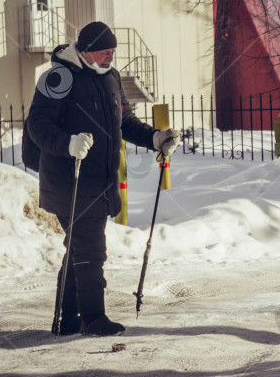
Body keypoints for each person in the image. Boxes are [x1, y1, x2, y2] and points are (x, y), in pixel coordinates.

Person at [28, 21, 180, 337]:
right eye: (104, 52)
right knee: (91, 250)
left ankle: (66, 320)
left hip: (100, 181)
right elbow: (38, 126)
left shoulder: (110, 78)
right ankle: (93, 318)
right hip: (69, 181)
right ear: (85, 51)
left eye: (113, 51)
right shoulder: (58, 77)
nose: (110, 57)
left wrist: (154, 138)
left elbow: (123, 120)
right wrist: (68, 144)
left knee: (80, 249)